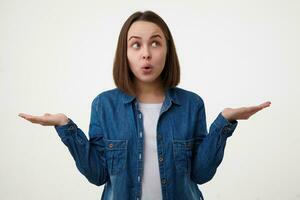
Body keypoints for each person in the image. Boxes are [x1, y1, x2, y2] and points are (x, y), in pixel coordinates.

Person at [18, 10, 271, 200]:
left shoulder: (191, 104)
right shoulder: (104, 105)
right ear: (125, 53)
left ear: (167, 50)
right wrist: (65, 126)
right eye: (136, 44)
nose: (146, 53)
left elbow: (201, 174)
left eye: (155, 43)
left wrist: (224, 122)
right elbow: (97, 175)